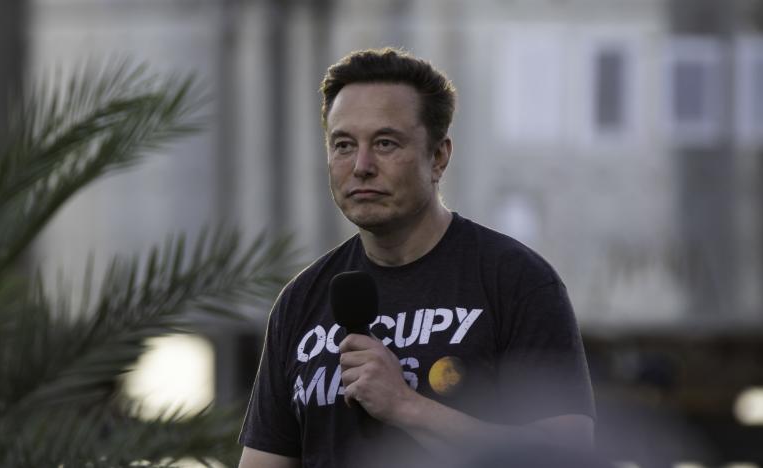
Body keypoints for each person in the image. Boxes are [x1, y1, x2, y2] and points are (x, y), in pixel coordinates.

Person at [237, 47, 595, 468]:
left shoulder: (514, 280)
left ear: (439, 156)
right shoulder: (301, 301)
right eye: (344, 145)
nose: (362, 166)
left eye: (386, 143)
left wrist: (405, 405)